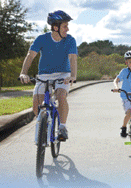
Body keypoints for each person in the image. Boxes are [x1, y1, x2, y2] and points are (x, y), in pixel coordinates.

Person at [19, 10, 77, 141]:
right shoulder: (42, 39)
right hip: (44, 75)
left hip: (63, 74)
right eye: (65, 26)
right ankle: (44, 123)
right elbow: (30, 56)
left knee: (61, 96)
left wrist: (73, 76)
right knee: (36, 106)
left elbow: (73, 59)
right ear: (55, 27)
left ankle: (62, 127)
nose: (67, 29)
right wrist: (23, 72)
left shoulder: (70, 40)